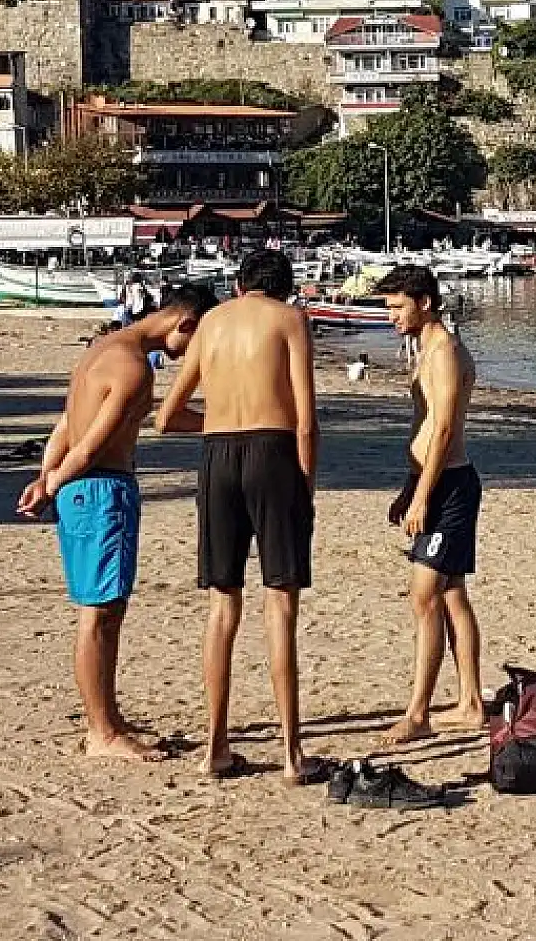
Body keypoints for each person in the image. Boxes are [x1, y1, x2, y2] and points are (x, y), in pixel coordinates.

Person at [17, 284, 217, 763]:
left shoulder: (102, 349)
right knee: (100, 613)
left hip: (82, 489)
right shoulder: (132, 367)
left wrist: (46, 476)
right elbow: (89, 445)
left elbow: (65, 426)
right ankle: (101, 732)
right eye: (197, 340)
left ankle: (107, 718)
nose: (193, 354)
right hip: (100, 490)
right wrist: (50, 484)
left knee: (106, 609)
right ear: (184, 324)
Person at [154, 250, 328, 785]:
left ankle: (215, 747)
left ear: (238, 285)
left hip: (218, 455)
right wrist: (307, 486)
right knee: (281, 603)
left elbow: (166, 417)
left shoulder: (210, 323)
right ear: (286, 288)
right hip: (274, 452)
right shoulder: (290, 319)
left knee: (222, 605)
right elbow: (305, 419)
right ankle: (292, 755)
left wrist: (220, 422)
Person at [374, 264, 485, 746]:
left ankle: (418, 713)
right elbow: (424, 428)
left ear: (424, 303)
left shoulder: (444, 353)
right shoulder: (427, 349)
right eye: (388, 308)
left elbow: (442, 429)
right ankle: (471, 703)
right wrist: (409, 487)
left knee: (424, 596)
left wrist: (422, 495)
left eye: (397, 307)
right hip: (433, 482)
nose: (392, 317)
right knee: (451, 595)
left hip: (449, 487)